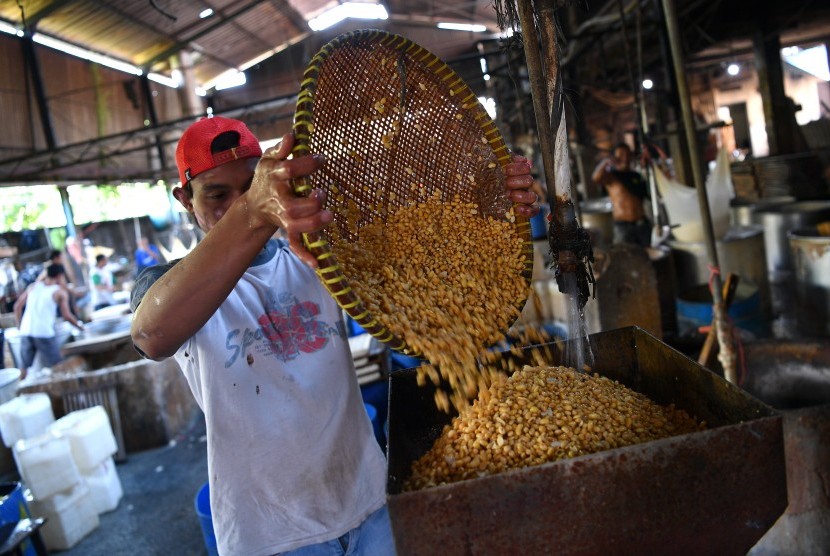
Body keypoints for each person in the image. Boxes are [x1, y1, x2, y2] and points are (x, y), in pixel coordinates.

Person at [129, 116, 539, 556]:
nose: (237, 202)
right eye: (217, 194)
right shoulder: (172, 283)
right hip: (272, 535)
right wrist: (254, 210)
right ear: (184, 199)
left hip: (367, 503)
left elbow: (420, 258)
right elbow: (153, 334)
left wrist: (489, 205)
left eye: (249, 187)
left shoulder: (312, 251)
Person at [13, 264, 84, 379]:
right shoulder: (59, 292)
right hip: (43, 332)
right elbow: (67, 316)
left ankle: (21, 391)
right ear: (60, 276)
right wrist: (81, 327)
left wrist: (19, 327)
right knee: (58, 366)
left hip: (26, 331)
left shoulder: (32, 287)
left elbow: (17, 307)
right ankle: (62, 393)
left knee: (24, 369)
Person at [591, 142, 651, 247]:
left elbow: (647, 194)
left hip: (642, 225)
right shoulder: (611, 178)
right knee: (624, 258)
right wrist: (606, 162)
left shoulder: (636, 176)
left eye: (628, 155)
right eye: (621, 155)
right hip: (623, 227)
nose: (625, 158)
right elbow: (596, 178)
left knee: (647, 256)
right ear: (615, 158)